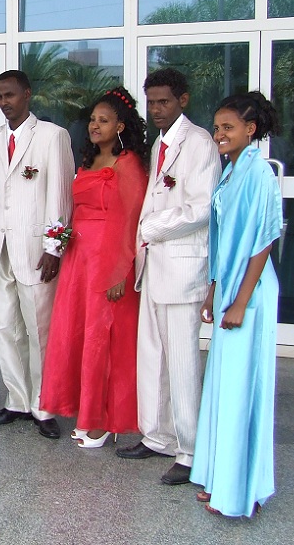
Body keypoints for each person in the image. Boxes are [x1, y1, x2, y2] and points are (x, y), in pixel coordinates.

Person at [116, 69, 222, 485]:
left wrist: (149, 228)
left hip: (182, 268)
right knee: (153, 358)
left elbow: (200, 208)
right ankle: (157, 435)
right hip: (154, 268)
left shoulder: (198, 143)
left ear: (184, 100)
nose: (157, 109)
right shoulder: (160, 141)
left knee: (181, 363)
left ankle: (190, 448)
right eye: (152, 102)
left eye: (164, 101)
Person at [40, 87, 149, 447]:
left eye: (103, 120)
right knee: (79, 333)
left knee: (103, 338)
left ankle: (103, 420)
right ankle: (86, 410)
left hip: (109, 258)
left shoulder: (128, 163)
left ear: (121, 124)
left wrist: (121, 271)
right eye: (92, 120)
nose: (94, 126)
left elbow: (132, 219)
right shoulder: (86, 161)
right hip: (79, 259)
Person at [191, 92, 282, 517]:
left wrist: (240, 303)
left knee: (243, 389)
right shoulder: (230, 171)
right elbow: (221, 238)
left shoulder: (260, 172)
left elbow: (262, 243)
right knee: (225, 387)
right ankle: (220, 477)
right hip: (229, 288)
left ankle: (239, 491)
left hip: (252, 292)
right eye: (217, 127)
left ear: (251, 129)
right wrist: (214, 291)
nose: (219, 134)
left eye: (228, 127)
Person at [0, 70, 74, 438]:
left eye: (10, 95)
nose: (4, 103)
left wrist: (54, 247)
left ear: (28, 95)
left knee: (39, 330)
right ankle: (16, 399)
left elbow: (61, 194)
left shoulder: (51, 136)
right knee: (5, 328)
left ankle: (44, 406)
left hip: (35, 251)